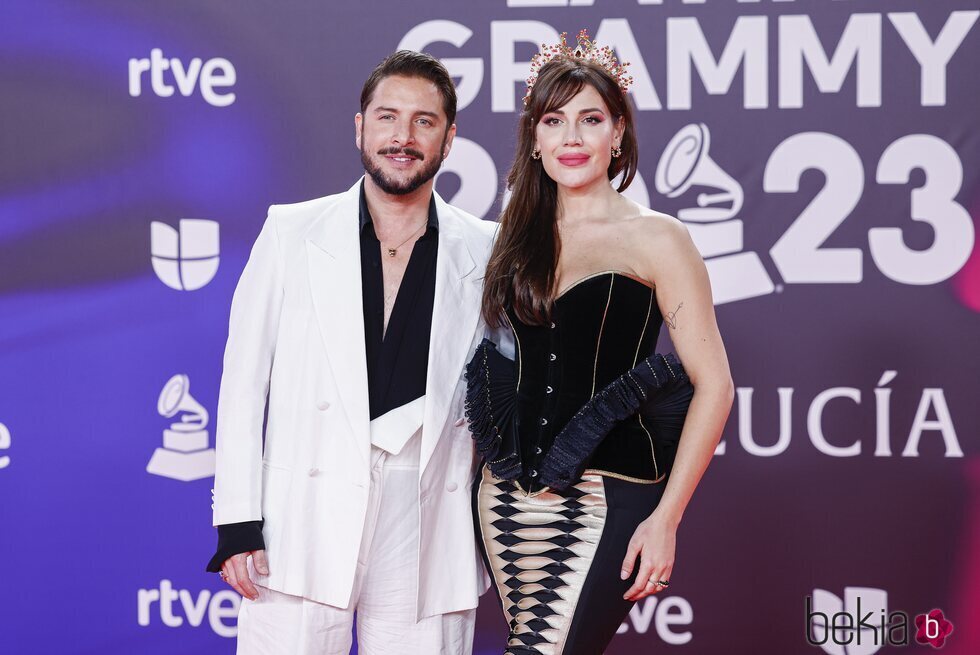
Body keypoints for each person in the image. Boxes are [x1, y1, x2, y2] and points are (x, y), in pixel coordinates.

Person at [205, 50, 495, 654]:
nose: (403, 136)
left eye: (424, 121)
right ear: (360, 126)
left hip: (428, 517)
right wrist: (236, 521)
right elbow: (242, 385)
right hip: (300, 516)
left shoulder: (488, 249)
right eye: (388, 117)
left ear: (449, 139)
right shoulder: (291, 232)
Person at [464, 31, 734, 654]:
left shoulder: (658, 238)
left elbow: (714, 385)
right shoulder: (512, 235)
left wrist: (666, 518)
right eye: (554, 121)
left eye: (591, 120)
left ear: (618, 134)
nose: (572, 138)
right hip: (505, 499)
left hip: (608, 494)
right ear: (535, 139)